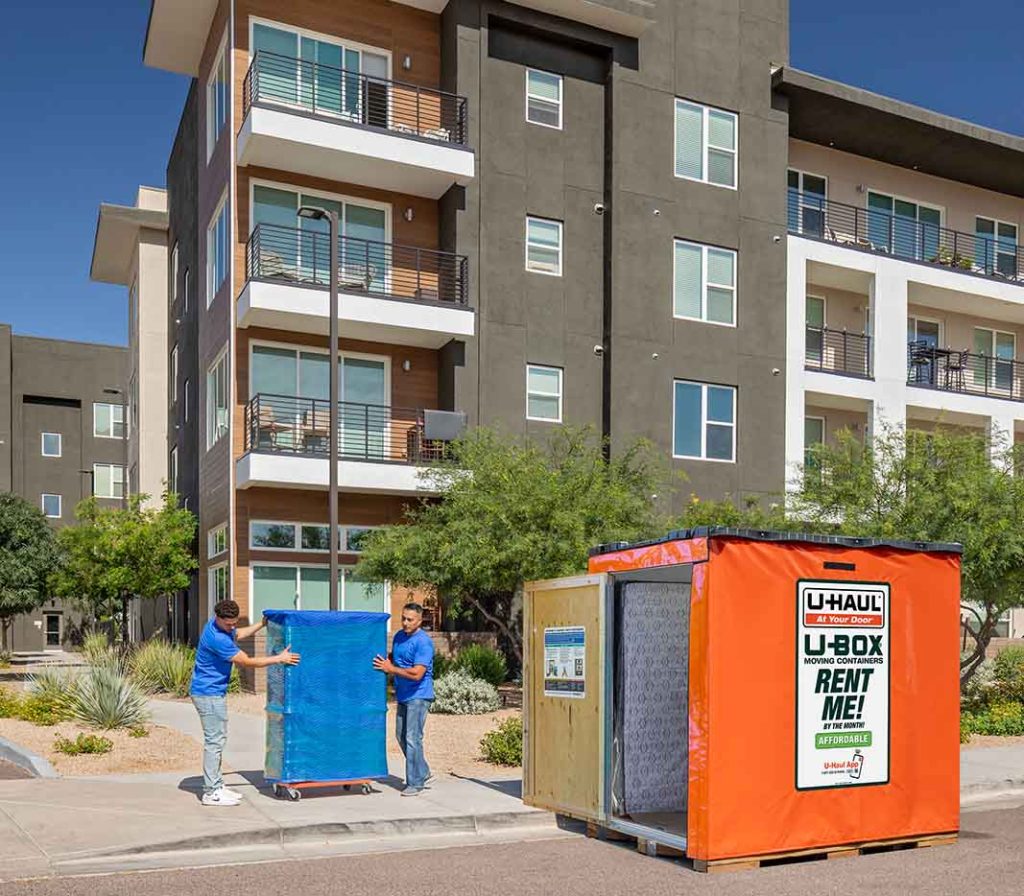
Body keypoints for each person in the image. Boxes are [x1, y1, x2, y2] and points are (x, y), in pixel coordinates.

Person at [190, 599, 300, 807]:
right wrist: (279, 658)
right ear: (218, 618)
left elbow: (239, 634)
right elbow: (247, 661)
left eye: (234, 623)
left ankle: (217, 785)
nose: (232, 627)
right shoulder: (217, 638)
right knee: (214, 742)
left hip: (212, 693)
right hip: (208, 695)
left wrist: (260, 624)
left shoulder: (219, 627)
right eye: (228, 624)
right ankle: (211, 792)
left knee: (218, 739)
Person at [372, 602, 435, 796]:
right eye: (403, 618)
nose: (405, 623)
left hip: (419, 695)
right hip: (403, 694)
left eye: (410, 620)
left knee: (412, 738)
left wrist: (391, 669)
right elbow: (395, 659)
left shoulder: (423, 642)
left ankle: (415, 783)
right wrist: (387, 663)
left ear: (420, 621)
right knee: (401, 735)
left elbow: (417, 673)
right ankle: (422, 771)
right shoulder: (399, 636)